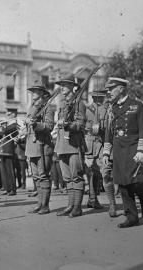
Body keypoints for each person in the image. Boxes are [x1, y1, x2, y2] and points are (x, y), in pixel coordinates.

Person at [103, 77, 143, 228]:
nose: (108, 92)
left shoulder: (137, 106)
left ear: (121, 88)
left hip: (134, 151)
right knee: (123, 184)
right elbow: (109, 133)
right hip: (118, 152)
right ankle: (132, 217)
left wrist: (142, 151)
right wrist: (106, 152)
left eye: (111, 88)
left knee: (136, 183)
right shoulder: (112, 108)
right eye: (108, 89)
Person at [54, 73, 86, 218]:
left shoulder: (79, 103)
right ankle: (71, 205)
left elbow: (80, 125)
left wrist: (68, 124)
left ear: (72, 86)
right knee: (67, 178)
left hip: (73, 144)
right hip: (62, 144)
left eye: (65, 85)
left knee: (76, 176)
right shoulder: (62, 103)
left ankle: (77, 207)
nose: (62, 87)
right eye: (61, 85)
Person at [25, 80, 54, 215]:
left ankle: (45, 205)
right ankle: (39, 203)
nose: (33, 93)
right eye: (32, 91)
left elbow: (49, 126)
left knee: (43, 176)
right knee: (36, 177)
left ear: (42, 93)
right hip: (31, 145)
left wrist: (36, 124)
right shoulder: (32, 107)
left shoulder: (47, 107)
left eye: (36, 91)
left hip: (42, 145)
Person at [84, 91, 107, 210]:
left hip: (101, 143)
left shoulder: (106, 110)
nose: (100, 100)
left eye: (101, 97)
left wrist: (101, 128)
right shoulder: (87, 110)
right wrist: (90, 128)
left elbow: (109, 126)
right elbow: (81, 126)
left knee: (100, 172)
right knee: (91, 172)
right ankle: (93, 199)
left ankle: (93, 198)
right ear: (93, 98)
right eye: (97, 97)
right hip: (89, 143)